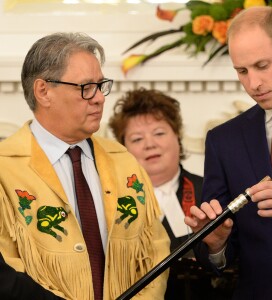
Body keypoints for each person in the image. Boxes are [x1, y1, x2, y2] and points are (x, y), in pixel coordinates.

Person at [0, 32, 170, 300]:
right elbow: (7, 275)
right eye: (85, 87)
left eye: (101, 85)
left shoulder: (122, 159)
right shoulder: (4, 169)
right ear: (43, 91)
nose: (100, 98)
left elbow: (155, 250)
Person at [185, 6, 272, 300]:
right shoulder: (223, 140)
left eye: (262, 66)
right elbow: (219, 255)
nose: (253, 84)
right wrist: (216, 243)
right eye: (242, 71)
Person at [109, 88, 236, 299]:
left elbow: (232, 265)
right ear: (124, 149)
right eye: (137, 139)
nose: (150, 144)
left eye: (159, 133)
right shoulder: (111, 200)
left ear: (177, 137)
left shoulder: (211, 192)